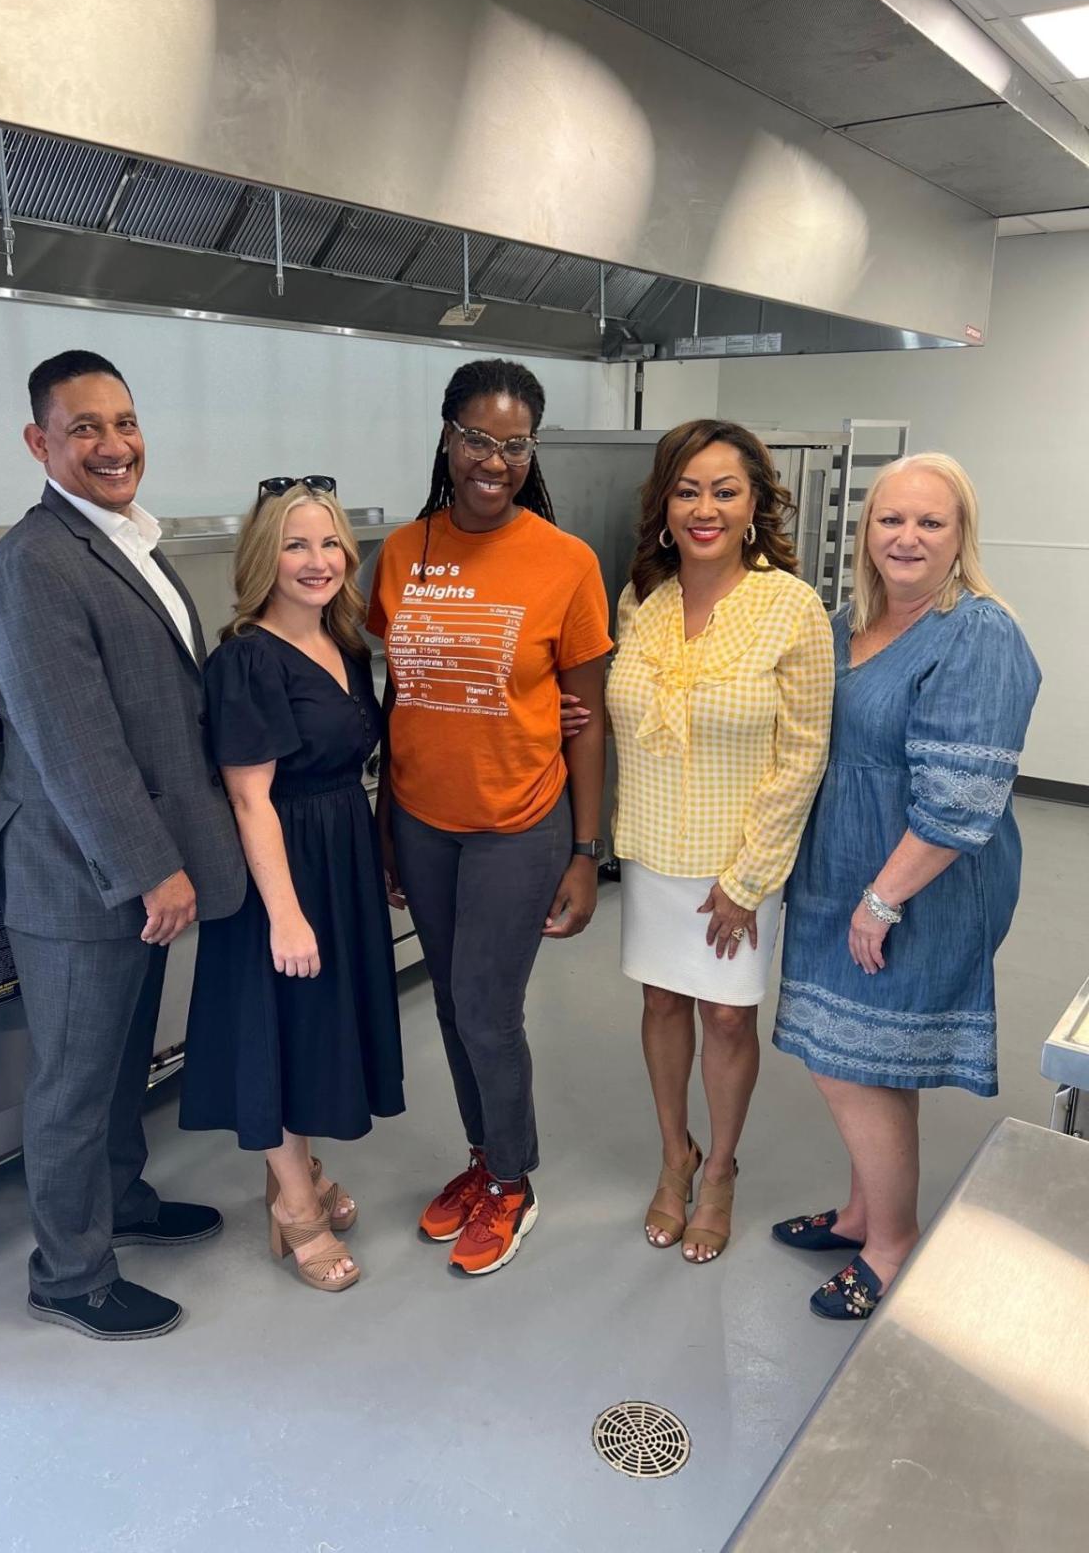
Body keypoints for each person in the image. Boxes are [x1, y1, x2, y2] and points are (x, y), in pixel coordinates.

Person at [0, 350, 246, 1341]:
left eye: (123, 422)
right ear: (39, 442)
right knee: (76, 1078)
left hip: (127, 863)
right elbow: (72, 741)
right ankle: (72, 1272)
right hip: (75, 868)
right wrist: (150, 867)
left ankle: (122, 1202)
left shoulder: (130, 541)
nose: (112, 444)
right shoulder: (33, 564)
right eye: (84, 427)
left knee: (126, 1056)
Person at [771, 453, 1040, 1320]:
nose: (908, 537)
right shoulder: (850, 618)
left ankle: (892, 1246)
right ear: (866, 530)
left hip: (918, 883)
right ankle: (861, 1214)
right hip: (841, 869)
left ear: (962, 536)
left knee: (858, 1071)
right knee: (858, 1059)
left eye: (931, 522)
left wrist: (882, 900)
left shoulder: (977, 631)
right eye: (892, 519)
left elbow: (963, 800)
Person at [366, 358, 612, 1276]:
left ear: (530, 451)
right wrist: (389, 824)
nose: (493, 460)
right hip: (424, 821)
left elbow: (588, 724)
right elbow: (401, 708)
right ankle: (480, 1159)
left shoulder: (565, 562)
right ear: (446, 435)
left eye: (514, 445)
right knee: (454, 1012)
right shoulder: (400, 551)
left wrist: (587, 851)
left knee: (484, 1008)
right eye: (477, 437)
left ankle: (513, 1180)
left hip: (520, 821)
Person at [606, 419, 833, 1263]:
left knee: (728, 1018)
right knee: (661, 1001)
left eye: (725, 491)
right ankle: (676, 1156)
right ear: (665, 502)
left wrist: (750, 878)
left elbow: (804, 752)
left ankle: (723, 1168)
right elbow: (622, 708)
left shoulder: (791, 607)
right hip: (653, 848)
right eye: (688, 489)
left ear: (754, 505)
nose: (705, 508)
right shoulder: (643, 600)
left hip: (739, 859)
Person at [179, 480, 404, 1292]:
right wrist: (286, 916)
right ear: (263, 559)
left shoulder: (343, 645)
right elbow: (248, 796)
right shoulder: (245, 658)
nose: (317, 561)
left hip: (337, 849)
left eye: (329, 544)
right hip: (281, 867)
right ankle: (297, 1209)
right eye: (295, 546)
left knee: (314, 1027)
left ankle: (295, 1177)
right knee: (277, 1026)